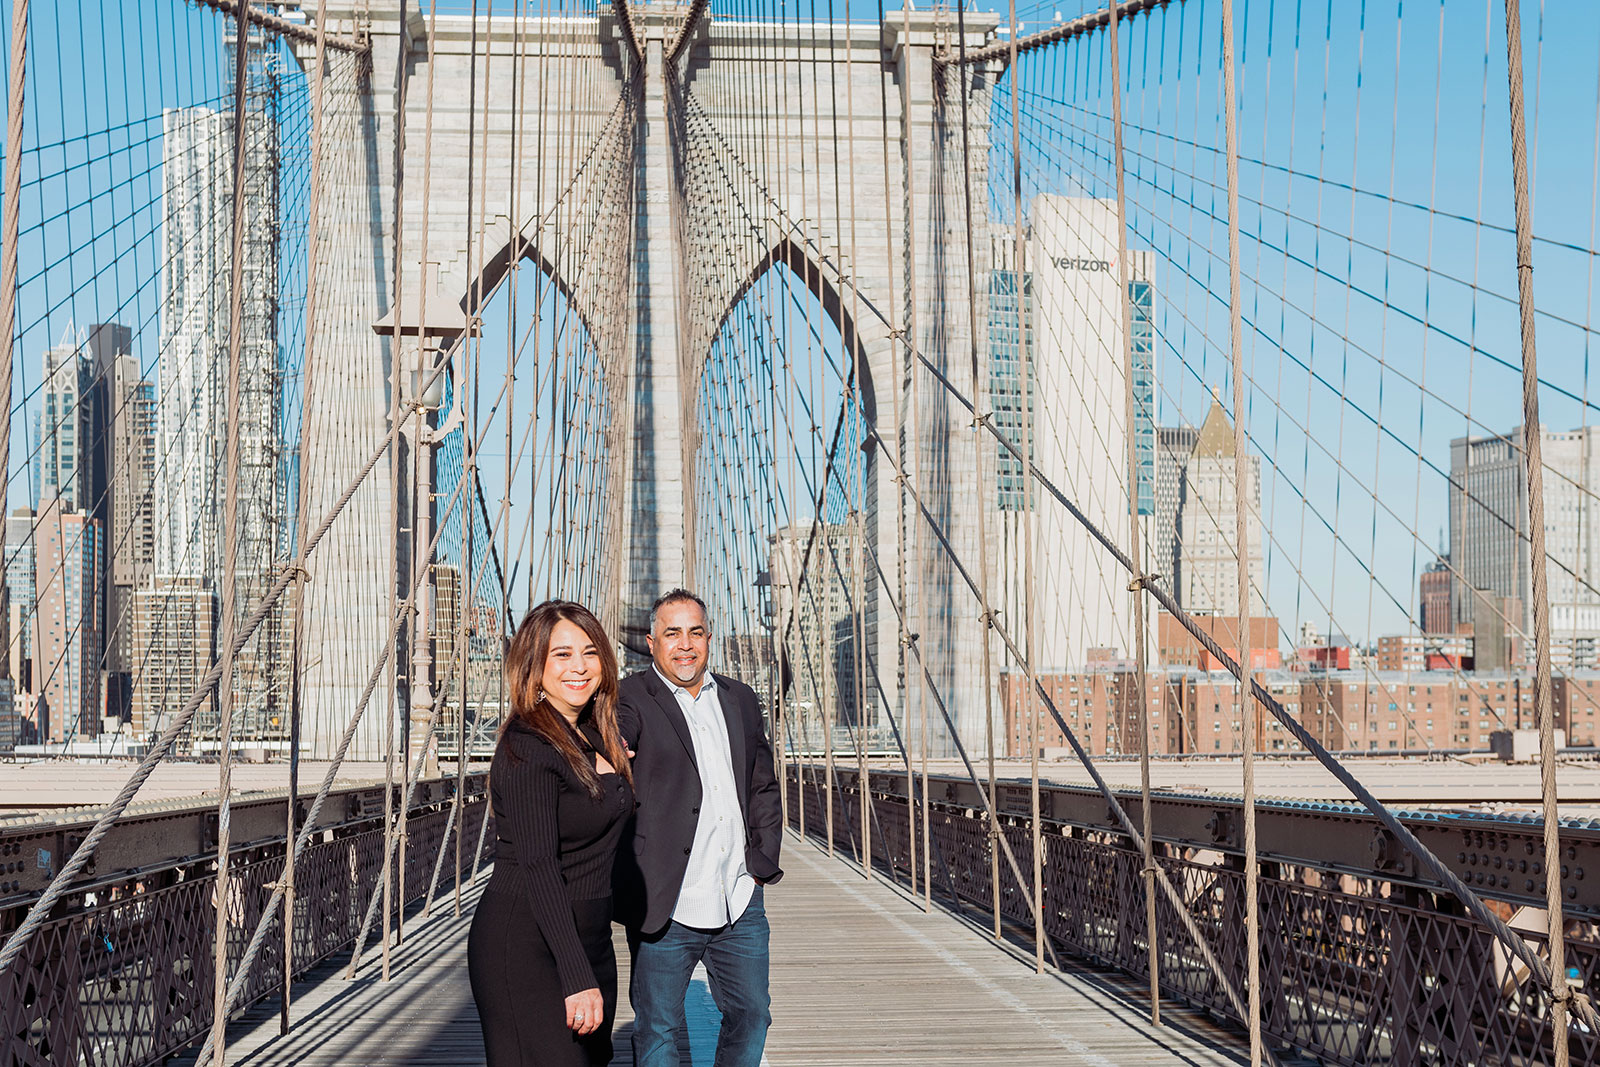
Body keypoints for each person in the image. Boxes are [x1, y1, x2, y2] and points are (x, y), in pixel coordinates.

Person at [615, 588, 784, 1067]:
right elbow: (617, 732)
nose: (685, 644)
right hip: (667, 899)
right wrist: (612, 747)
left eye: (695, 632)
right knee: (658, 1031)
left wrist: (761, 860)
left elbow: (763, 786)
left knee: (753, 1015)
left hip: (738, 896)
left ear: (709, 638)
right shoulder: (630, 697)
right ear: (652, 642)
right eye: (672, 633)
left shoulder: (741, 698)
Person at [469, 600, 635, 1067]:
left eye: (590, 652)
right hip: (530, 943)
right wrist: (576, 974)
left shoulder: (592, 735)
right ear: (533, 664)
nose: (579, 668)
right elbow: (539, 865)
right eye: (561, 655)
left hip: (590, 937)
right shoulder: (528, 747)